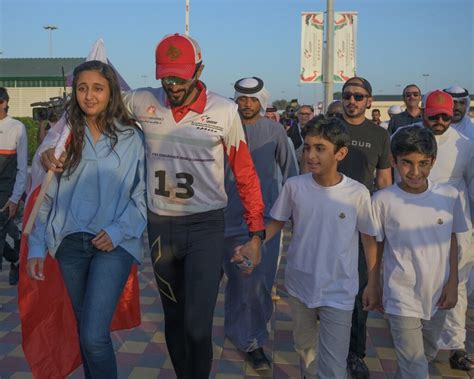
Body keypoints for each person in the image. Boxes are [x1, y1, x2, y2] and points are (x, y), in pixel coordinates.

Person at [26, 60, 147, 378]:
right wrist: (37, 245)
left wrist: (119, 231)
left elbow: (142, 196)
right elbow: (46, 196)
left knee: (93, 335)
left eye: (97, 88)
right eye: (82, 88)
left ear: (111, 93)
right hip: (70, 244)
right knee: (87, 333)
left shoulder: (132, 138)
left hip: (113, 245)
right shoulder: (63, 139)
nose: (89, 96)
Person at [248, 116, 379, 378]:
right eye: (307, 147)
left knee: (332, 365)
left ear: (340, 153)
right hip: (300, 286)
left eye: (320, 148)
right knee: (305, 349)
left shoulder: (358, 193)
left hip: (340, 289)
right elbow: (276, 222)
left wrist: (373, 282)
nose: (310, 155)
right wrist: (255, 243)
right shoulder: (295, 186)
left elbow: (368, 239)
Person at [371, 126, 467, 378]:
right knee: (415, 368)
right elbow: (376, 245)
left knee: (422, 356)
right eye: (407, 163)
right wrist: (374, 283)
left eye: (423, 163)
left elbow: (454, 238)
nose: (415, 172)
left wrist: (453, 282)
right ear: (393, 161)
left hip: (438, 294)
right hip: (400, 294)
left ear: (433, 162)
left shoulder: (448, 195)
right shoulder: (383, 200)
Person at [224, 77, 298, 370]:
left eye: (252, 99)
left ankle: (254, 341)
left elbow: (290, 172)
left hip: (262, 224)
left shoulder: (275, 131)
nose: (246, 104)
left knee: (258, 284)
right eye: (241, 98)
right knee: (234, 281)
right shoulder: (224, 130)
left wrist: (292, 215)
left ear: (262, 101)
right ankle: (235, 329)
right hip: (223, 219)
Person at [402, 90, 474, 371]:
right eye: (435, 116)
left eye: (446, 116)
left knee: (457, 283)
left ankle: (455, 345)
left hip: (454, 222)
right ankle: (413, 336)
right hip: (414, 217)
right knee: (412, 275)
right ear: (424, 113)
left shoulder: (466, 145)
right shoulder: (404, 137)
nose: (441, 121)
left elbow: (470, 186)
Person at [337, 76, 392, 378]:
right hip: (327, 222)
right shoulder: (329, 127)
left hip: (361, 224)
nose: (352, 101)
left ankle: (355, 353)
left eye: (359, 96)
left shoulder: (379, 136)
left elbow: (384, 183)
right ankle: (326, 345)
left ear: (369, 100)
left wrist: (383, 225)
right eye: (347, 95)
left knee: (358, 292)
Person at [0, 87, 27, 285]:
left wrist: (15, 197)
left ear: (4, 103)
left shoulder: (17, 127)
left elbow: (21, 166)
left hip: (6, 193)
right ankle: (15, 257)